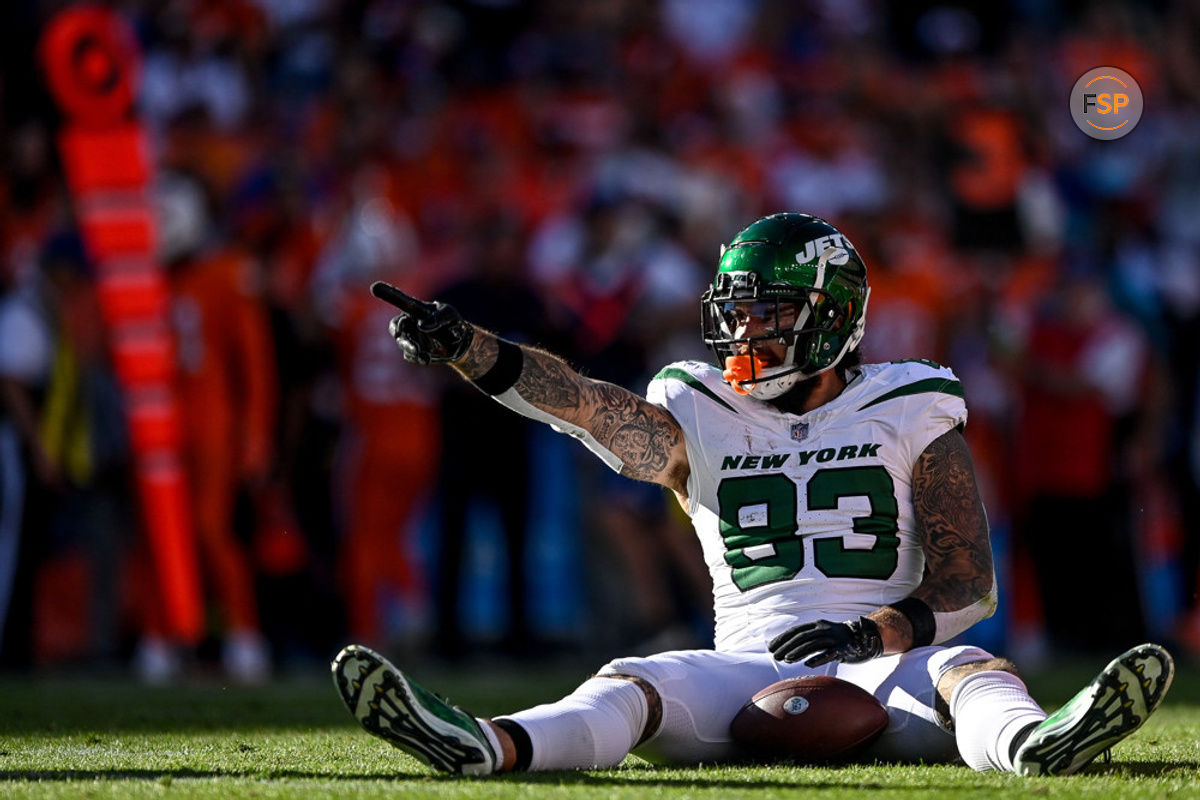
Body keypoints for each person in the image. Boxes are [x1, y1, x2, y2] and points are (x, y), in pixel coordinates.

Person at [331, 212, 1173, 777]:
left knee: (966, 668)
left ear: (832, 315)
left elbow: (968, 585)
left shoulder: (909, 404)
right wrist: (475, 353)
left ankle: (1038, 744)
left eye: (767, 312)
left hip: (887, 659)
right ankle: (488, 745)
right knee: (632, 681)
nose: (742, 332)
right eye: (734, 312)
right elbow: (585, 403)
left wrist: (872, 629)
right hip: (740, 664)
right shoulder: (701, 406)